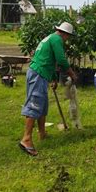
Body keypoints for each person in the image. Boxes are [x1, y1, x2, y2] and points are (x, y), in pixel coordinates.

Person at [19, 22, 77, 156]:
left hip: (40, 73)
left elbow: (50, 60)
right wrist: (72, 74)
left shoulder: (51, 37)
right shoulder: (57, 39)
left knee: (43, 105)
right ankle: (26, 139)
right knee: (35, 104)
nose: (67, 39)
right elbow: (61, 60)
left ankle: (42, 133)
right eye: (68, 36)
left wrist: (53, 79)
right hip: (38, 73)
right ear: (65, 34)